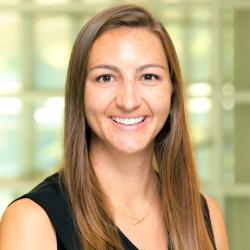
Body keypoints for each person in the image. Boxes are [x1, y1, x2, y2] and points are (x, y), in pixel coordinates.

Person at [0, 4, 229, 250]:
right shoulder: (33, 222)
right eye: (106, 78)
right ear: (80, 93)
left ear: (172, 91)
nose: (129, 101)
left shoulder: (205, 218)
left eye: (149, 76)